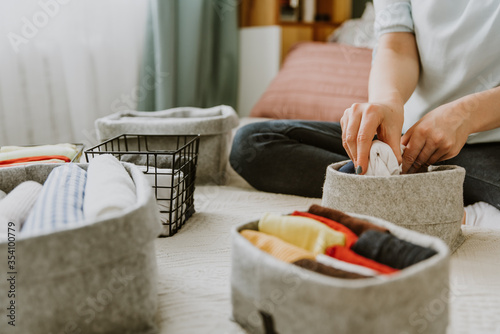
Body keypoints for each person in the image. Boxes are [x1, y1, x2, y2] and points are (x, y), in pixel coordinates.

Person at [230, 0, 500, 209]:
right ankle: (426, 197)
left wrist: (467, 114)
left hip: (490, 144)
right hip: (407, 140)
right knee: (252, 143)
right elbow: (396, 45)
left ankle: (386, 192)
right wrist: (386, 102)